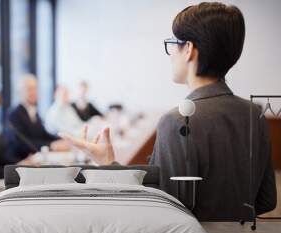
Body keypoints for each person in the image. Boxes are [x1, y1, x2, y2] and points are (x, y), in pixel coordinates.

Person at [60, 2, 277, 221]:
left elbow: (162, 211)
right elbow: (266, 200)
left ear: (189, 50)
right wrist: (109, 163)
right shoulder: (254, 115)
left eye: (173, 43)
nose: (170, 53)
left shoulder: (178, 122)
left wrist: (107, 168)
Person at [4, 74, 70, 162]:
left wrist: (62, 140)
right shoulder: (14, 114)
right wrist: (51, 145)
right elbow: (23, 142)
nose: (34, 92)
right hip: (20, 161)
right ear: (20, 92)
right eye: (29, 89)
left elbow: (43, 134)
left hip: (36, 157)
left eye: (35, 88)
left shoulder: (34, 111)